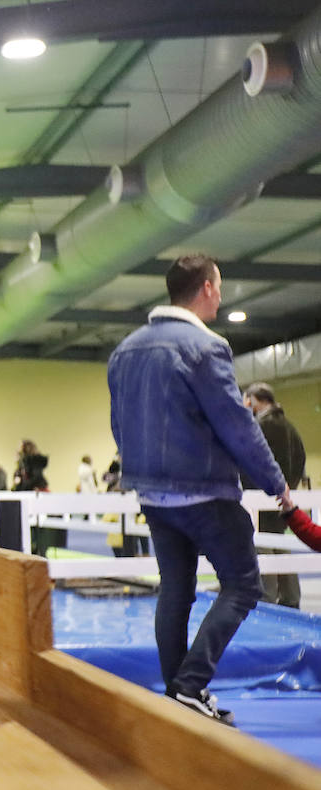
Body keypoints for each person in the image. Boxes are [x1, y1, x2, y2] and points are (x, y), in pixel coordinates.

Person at [108, 254, 289, 726]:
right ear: (207, 289)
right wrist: (277, 485)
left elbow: (118, 426)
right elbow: (238, 427)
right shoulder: (205, 348)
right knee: (245, 584)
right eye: (220, 287)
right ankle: (190, 685)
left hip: (151, 495)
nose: (222, 296)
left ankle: (179, 694)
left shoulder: (125, 351)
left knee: (176, 590)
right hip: (203, 493)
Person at [241, 382, 307, 608]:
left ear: (251, 400)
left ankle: (266, 599)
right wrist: (289, 488)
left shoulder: (256, 428)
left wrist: (249, 490)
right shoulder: (290, 427)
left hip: (260, 499)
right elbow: (301, 459)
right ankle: (291, 598)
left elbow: (247, 461)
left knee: (263, 545)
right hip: (284, 499)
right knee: (280, 543)